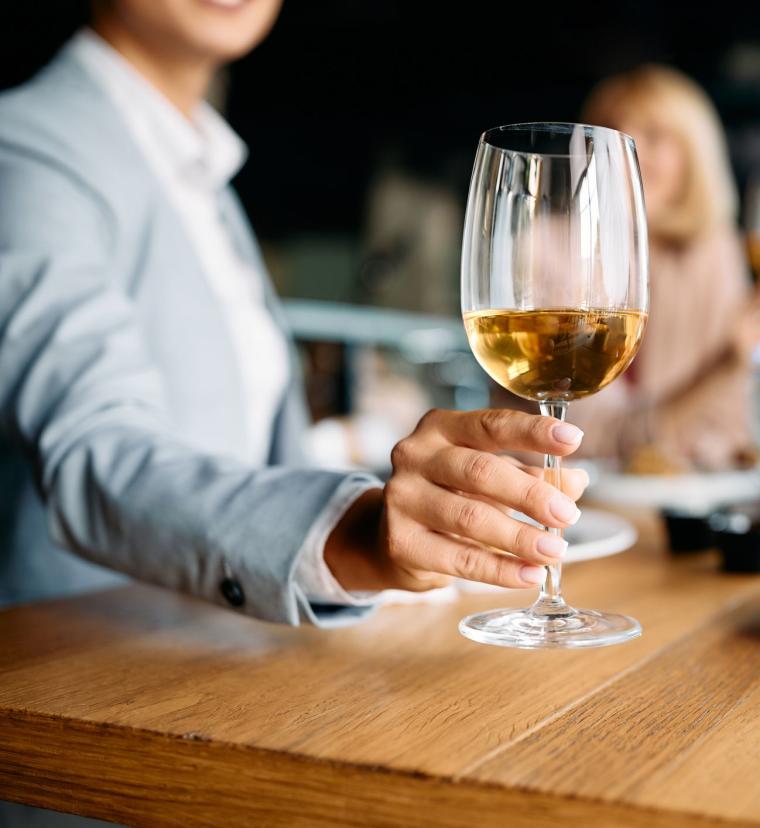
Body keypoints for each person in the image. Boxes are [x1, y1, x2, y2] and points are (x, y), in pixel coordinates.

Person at [0, 0, 590, 625]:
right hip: (71, 665)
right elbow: (97, 456)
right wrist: (353, 534)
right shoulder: (26, 151)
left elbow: (265, 454)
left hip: (227, 653)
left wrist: (426, 523)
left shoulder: (200, 172)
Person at [550, 64, 760, 472]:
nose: (626, 156)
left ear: (694, 154)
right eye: (610, 135)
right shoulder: (548, 251)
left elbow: (731, 429)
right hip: (570, 500)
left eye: (653, 136)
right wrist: (727, 368)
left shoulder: (713, 250)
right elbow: (582, 439)